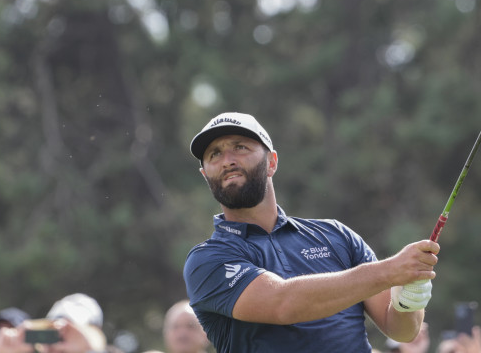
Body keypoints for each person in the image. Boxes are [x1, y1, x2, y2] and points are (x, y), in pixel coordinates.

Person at [182, 112, 440, 352]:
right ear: (205, 175)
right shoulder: (206, 260)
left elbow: (401, 330)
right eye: (215, 154)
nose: (227, 160)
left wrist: (408, 299)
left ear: (271, 163)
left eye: (240, 147)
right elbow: (283, 304)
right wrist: (389, 271)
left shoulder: (336, 235)